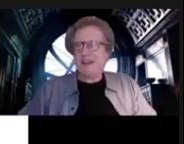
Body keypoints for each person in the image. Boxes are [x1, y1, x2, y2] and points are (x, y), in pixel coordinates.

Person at [20, 16, 157, 116]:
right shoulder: (50, 90)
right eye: (79, 45)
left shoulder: (128, 86)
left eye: (94, 45)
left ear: (107, 52)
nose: (85, 52)